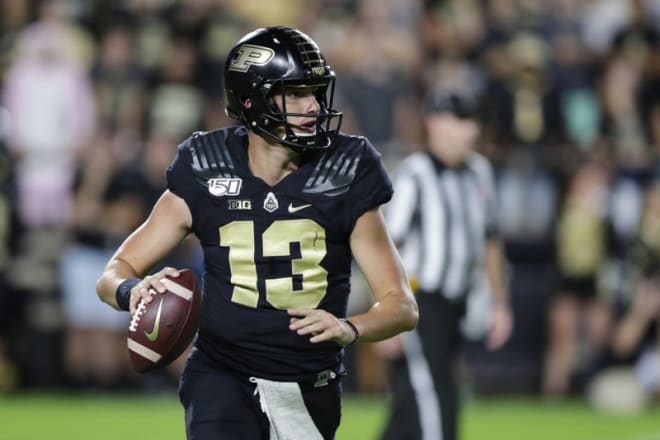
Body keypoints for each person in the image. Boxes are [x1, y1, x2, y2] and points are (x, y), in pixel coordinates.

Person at [96, 26, 418, 439]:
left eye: (316, 93)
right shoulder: (205, 166)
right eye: (297, 93)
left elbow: (402, 306)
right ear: (252, 100)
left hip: (308, 385)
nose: (313, 106)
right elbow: (114, 271)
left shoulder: (346, 169)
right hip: (222, 376)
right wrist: (131, 291)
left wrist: (349, 328)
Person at [378, 87, 513, 440]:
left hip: (457, 302)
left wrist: (499, 302)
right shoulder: (415, 173)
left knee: (412, 399)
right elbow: (387, 243)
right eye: (460, 121)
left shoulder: (479, 172)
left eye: (472, 122)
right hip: (419, 300)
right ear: (435, 124)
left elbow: (490, 241)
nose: (469, 131)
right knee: (439, 394)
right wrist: (383, 306)